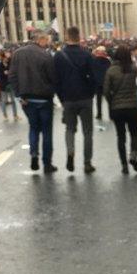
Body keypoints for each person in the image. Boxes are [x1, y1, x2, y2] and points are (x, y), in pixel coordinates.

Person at [10, 31, 57, 173]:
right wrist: (52, 92)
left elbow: (12, 76)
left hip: (27, 99)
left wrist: (19, 95)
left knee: (34, 128)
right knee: (47, 132)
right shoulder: (46, 55)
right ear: (41, 39)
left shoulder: (18, 54)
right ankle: (47, 164)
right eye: (47, 40)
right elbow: (53, 77)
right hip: (44, 99)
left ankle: (34, 154)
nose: (48, 43)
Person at [54, 26, 96, 173]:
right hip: (85, 98)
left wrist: (61, 97)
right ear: (79, 37)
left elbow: (56, 80)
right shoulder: (87, 55)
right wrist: (91, 94)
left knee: (70, 129)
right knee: (88, 132)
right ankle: (87, 163)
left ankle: (70, 153)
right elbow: (94, 78)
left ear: (67, 37)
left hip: (68, 99)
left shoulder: (59, 56)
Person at [103, 45, 137, 175]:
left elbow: (106, 91)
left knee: (121, 136)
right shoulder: (132, 68)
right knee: (134, 134)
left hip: (117, 108)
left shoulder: (111, 70)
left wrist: (111, 102)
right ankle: (133, 156)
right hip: (132, 107)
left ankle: (124, 165)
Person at [0, 50, 17, 120]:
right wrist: (4, 73)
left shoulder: (10, 64)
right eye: (5, 58)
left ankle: (15, 115)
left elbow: (14, 72)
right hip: (3, 85)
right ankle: (5, 115)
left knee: (13, 100)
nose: (6, 59)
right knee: (4, 101)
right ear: (2, 58)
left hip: (10, 84)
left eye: (7, 58)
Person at [92, 45, 111, 123]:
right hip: (106, 82)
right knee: (109, 99)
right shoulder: (107, 61)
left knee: (98, 100)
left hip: (97, 83)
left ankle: (99, 114)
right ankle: (111, 114)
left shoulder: (94, 60)